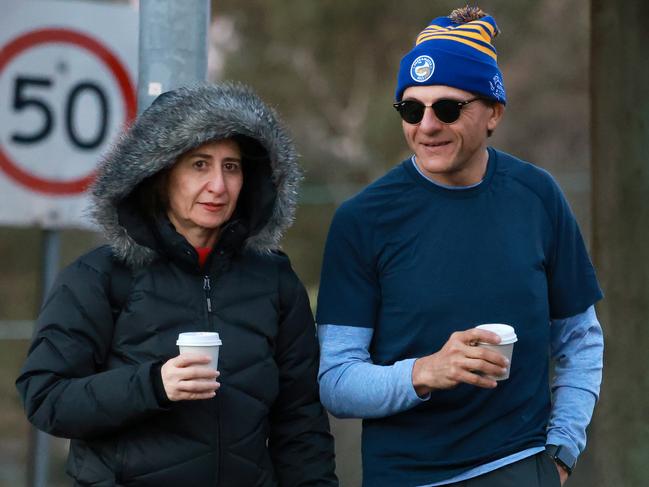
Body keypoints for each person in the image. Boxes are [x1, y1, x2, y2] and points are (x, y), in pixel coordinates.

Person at [316, 6, 603, 487]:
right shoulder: (361, 220)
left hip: (517, 465)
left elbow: (580, 339)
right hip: (404, 475)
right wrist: (425, 372)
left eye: (448, 108)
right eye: (412, 109)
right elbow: (337, 382)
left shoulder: (537, 196)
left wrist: (560, 452)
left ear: (493, 113)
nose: (427, 125)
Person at [16, 83, 338, 487]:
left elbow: (301, 424)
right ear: (160, 173)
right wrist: (152, 385)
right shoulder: (98, 276)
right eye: (199, 164)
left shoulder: (273, 281)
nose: (218, 186)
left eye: (232, 166)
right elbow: (46, 398)